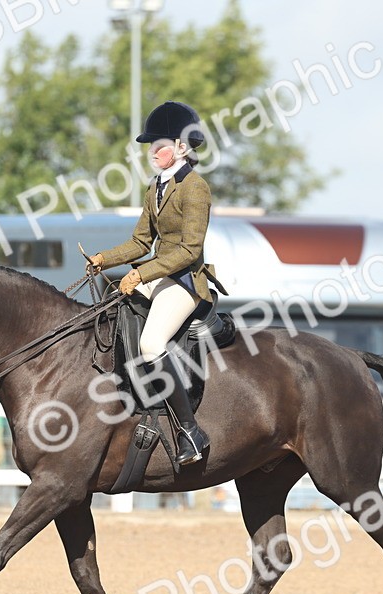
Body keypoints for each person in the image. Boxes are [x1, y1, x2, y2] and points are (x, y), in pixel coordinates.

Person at [88, 101, 217, 465]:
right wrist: (104, 260)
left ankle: (190, 431)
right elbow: (140, 243)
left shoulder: (196, 188)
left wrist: (140, 273)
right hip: (159, 274)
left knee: (151, 341)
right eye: (149, 147)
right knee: (108, 308)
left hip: (185, 281)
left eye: (158, 146)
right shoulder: (155, 188)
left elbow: (190, 249)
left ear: (181, 146)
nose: (151, 153)